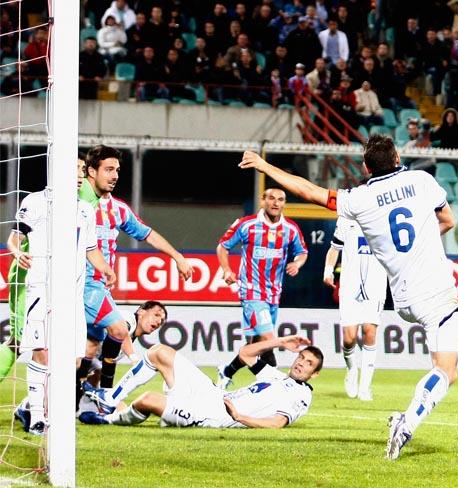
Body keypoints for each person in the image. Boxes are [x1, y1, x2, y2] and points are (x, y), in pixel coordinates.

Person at [238, 134, 458, 461]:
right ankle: (408, 421)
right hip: (436, 290)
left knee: (371, 337)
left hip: (402, 298)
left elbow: (309, 191)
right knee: (446, 370)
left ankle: (388, 405)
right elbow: (447, 220)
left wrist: (263, 164)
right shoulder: (422, 180)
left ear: (366, 166)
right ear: (398, 158)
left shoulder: (359, 198)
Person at [80, 145, 192, 406]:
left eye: (117, 170)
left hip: (100, 286)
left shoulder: (118, 209)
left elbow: (147, 234)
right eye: (108, 169)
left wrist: (177, 255)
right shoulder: (78, 201)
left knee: (88, 349)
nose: (115, 175)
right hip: (84, 284)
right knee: (118, 330)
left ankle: (51, 405)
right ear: (91, 172)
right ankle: (107, 398)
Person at [11, 156, 116, 435]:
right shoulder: (34, 201)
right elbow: (15, 236)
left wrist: (105, 269)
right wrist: (17, 250)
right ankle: (36, 416)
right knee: (43, 352)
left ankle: (34, 408)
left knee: (73, 361)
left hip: (73, 295)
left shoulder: (84, 210)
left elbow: (91, 248)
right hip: (41, 289)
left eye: (82, 170)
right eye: (77, 169)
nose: (81, 174)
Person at [82, 336, 322, 429]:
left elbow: (277, 423)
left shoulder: (301, 395)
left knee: (148, 400)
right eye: (301, 357)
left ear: (315, 374)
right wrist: (280, 342)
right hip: (212, 394)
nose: (301, 363)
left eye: (309, 363)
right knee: (159, 352)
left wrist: (240, 418)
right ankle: (110, 399)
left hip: (215, 415)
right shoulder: (276, 375)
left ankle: (107, 419)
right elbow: (246, 353)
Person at [215, 188, 308, 388]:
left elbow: (302, 252)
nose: (276, 203)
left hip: (274, 294)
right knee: (269, 339)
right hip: (251, 292)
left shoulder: (290, 229)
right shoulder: (247, 225)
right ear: (263, 200)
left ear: (284, 203)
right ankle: (275, 382)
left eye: (280, 199)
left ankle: (227, 371)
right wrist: (227, 270)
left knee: (255, 345)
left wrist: (297, 264)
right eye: (271, 198)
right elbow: (223, 246)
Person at [323, 217, 388, 401]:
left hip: (375, 285)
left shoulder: (383, 218)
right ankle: (351, 368)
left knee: (369, 331)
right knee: (349, 338)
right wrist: (328, 270)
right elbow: (334, 248)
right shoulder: (346, 220)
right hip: (350, 285)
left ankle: (365, 387)